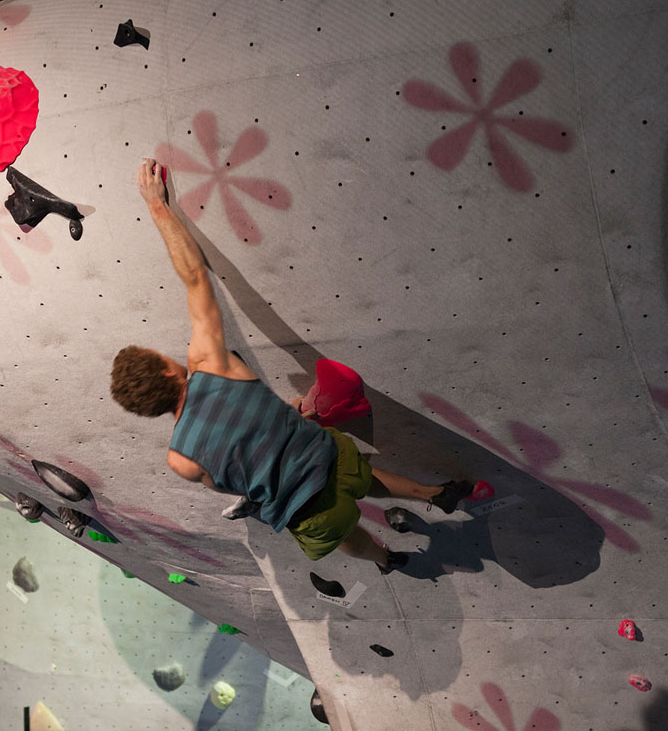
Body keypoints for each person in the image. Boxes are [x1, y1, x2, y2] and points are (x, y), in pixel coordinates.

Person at [110, 159, 473, 573]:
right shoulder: (211, 363)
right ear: (165, 371)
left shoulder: (181, 460)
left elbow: (233, 479)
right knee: (363, 475)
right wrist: (157, 205)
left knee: (348, 538)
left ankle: (386, 558)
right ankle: (432, 493)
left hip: (309, 510)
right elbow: (195, 277)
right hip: (330, 458)